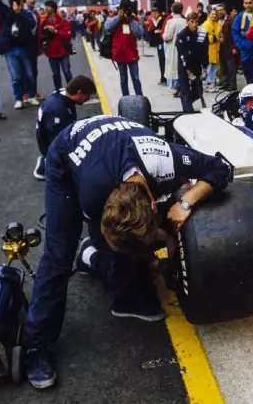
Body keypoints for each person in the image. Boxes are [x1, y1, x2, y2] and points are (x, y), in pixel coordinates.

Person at [24, 114, 230, 389]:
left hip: (124, 144)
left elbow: (221, 168)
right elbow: (108, 239)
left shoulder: (167, 159)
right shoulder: (92, 192)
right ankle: (35, 345)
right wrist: (155, 253)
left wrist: (186, 203)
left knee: (135, 253)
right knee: (59, 255)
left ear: (152, 205)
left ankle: (126, 296)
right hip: (68, 152)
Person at [33, 75, 96, 180]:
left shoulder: (63, 95)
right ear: (79, 93)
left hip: (54, 135)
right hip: (51, 145)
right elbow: (57, 141)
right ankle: (46, 165)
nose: (88, 99)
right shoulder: (58, 110)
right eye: (87, 96)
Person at [0, 0, 36, 110]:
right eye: (15, 1)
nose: (18, 4)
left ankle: (31, 95)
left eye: (20, 2)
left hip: (24, 48)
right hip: (10, 49)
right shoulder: (4, 12)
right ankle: (18, 98)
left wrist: (18, 13)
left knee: (29, 74)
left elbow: (30, 25)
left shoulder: (26, 14)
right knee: (16, 76)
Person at [105, 0, 144, 96]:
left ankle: (139, 97)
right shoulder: (114, 17)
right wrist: (119, 17)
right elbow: (107, 27)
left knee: (136, 78)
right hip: (119, 53)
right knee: (123, 79)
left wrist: (131, 19)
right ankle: (125, 98)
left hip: (132, 53)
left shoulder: (134, 19)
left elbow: (139, 33)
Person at [176, 12, 208, 111]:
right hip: (184, 63)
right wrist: (188, 72)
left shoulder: (202, 33)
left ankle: (188, 103)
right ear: (187, 22)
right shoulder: (182, 35)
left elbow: (205, 52)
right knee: (185, 88)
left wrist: (205, 68)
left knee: (198, 92)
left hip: (196, 62)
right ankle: (187, 110)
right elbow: (182, 54)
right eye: (192, 22)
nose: (194, 24)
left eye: (196, 22)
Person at [41, 0, 73, 93]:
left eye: (48, 6)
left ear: (54, 8)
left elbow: (67, 35)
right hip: (51, 52)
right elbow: (40, 35)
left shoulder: (63, 21)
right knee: (55, 74)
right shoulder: (44, 21)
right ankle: (58, 90)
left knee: (67, 72)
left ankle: (71, 89)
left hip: (63, 51)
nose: (46, 8)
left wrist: (55, 31)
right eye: (45, 6)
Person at [232, 0, 253, 84]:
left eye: (250, 3)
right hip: (245, 54)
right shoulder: (239, 17)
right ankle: (251, 97)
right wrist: (242, 45)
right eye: (246, 3)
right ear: (243, 4)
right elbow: (235, 33)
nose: (248, 5)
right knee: (249, 79)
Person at [23, 0, 44, 103]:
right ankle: (25, 93)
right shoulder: (21, 11)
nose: (32, 1)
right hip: (23, 44)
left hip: (33, 44)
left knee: (34, 70)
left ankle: (33, 92)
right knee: (26, 71)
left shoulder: (35, 12)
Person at [162, 2, 187, 93]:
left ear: (172, 9)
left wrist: (164, 36)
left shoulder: (171, 22)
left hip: (173, 48)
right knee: (182, 67)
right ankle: (182, 86)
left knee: (174, 68)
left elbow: (167, 37)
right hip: (184, 48)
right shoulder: (185, 21)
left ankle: (175, 87)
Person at [218, 3, 238, 91]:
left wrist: (234, 47)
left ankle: (232, 85)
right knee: (224, 66)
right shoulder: (219, 20)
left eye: (221, 10)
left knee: (231, 67)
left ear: (225, 10)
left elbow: (234, 34)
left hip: (229, 46)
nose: (219, 12)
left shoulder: (231, 20)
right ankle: (225, 83)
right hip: (222, 47)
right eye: (218, 10)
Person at [201, 7, 220, 92]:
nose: (214, 15)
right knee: (208, 68)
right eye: (212, 14)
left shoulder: (216, 24)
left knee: (214, 69)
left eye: (215, 14)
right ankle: (205, 85)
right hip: (208, 50)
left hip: (215, 50)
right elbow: (203, 37)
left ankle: (212, 84)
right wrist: (214, 38)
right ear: (209, 14)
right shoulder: (206, 24)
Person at [147, 7, 166, 85]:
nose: (153, 15)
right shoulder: (155, 21)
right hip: (159, 43)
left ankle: (164, 79)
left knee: (163, 61)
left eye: (155, 13)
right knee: (161, 61)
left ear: (159, 13)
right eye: (152, 14)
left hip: (162, 43)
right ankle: (163, 78)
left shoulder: (161, 20)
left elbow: (159, 32)